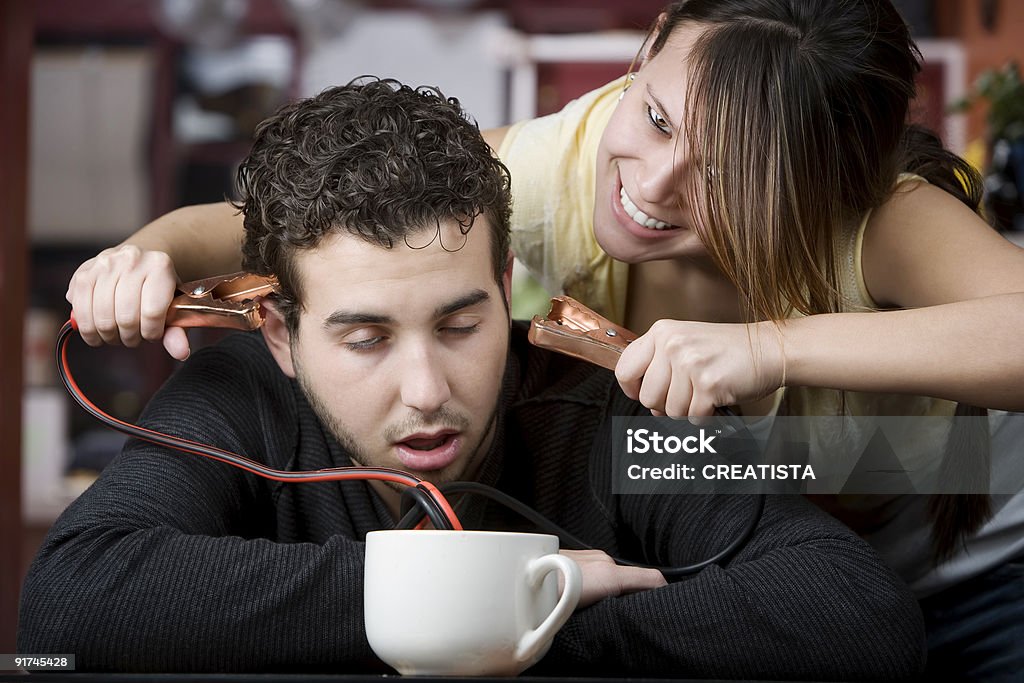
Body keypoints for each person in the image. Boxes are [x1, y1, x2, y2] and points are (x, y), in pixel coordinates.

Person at [63, 0, 1024, 678]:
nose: (648, 187)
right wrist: (141, 254)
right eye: (651, 116)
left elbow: (850, 610)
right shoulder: (566, 171)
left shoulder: (874, 218)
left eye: (462, 321)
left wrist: (772, 349)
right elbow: (299, 221)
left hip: (965, 526)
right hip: (772, 488)